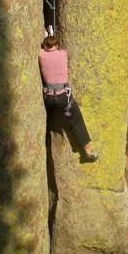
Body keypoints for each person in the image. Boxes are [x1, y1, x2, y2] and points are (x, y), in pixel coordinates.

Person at [39, 33, 98, 161]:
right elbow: (57, 51)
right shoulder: (63, 54)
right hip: (63, 98)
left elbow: (45, 49)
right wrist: (51, 35)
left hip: (48, 98)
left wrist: (46, 36)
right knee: (76, 120)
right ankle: (88, 150)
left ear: (44, 45)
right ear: (57, 45)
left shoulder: (41, 54)